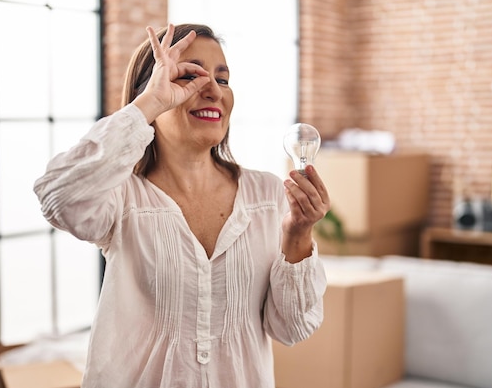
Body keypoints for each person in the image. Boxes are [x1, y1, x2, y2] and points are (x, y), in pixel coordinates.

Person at [34, 23, 330, 388]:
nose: (211, 90)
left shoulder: (266, 194)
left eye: (222, 80)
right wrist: (149, 104)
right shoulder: (121, 196)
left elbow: (292, 328)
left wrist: (298, 235)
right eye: (188, 76)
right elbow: (57, 196)